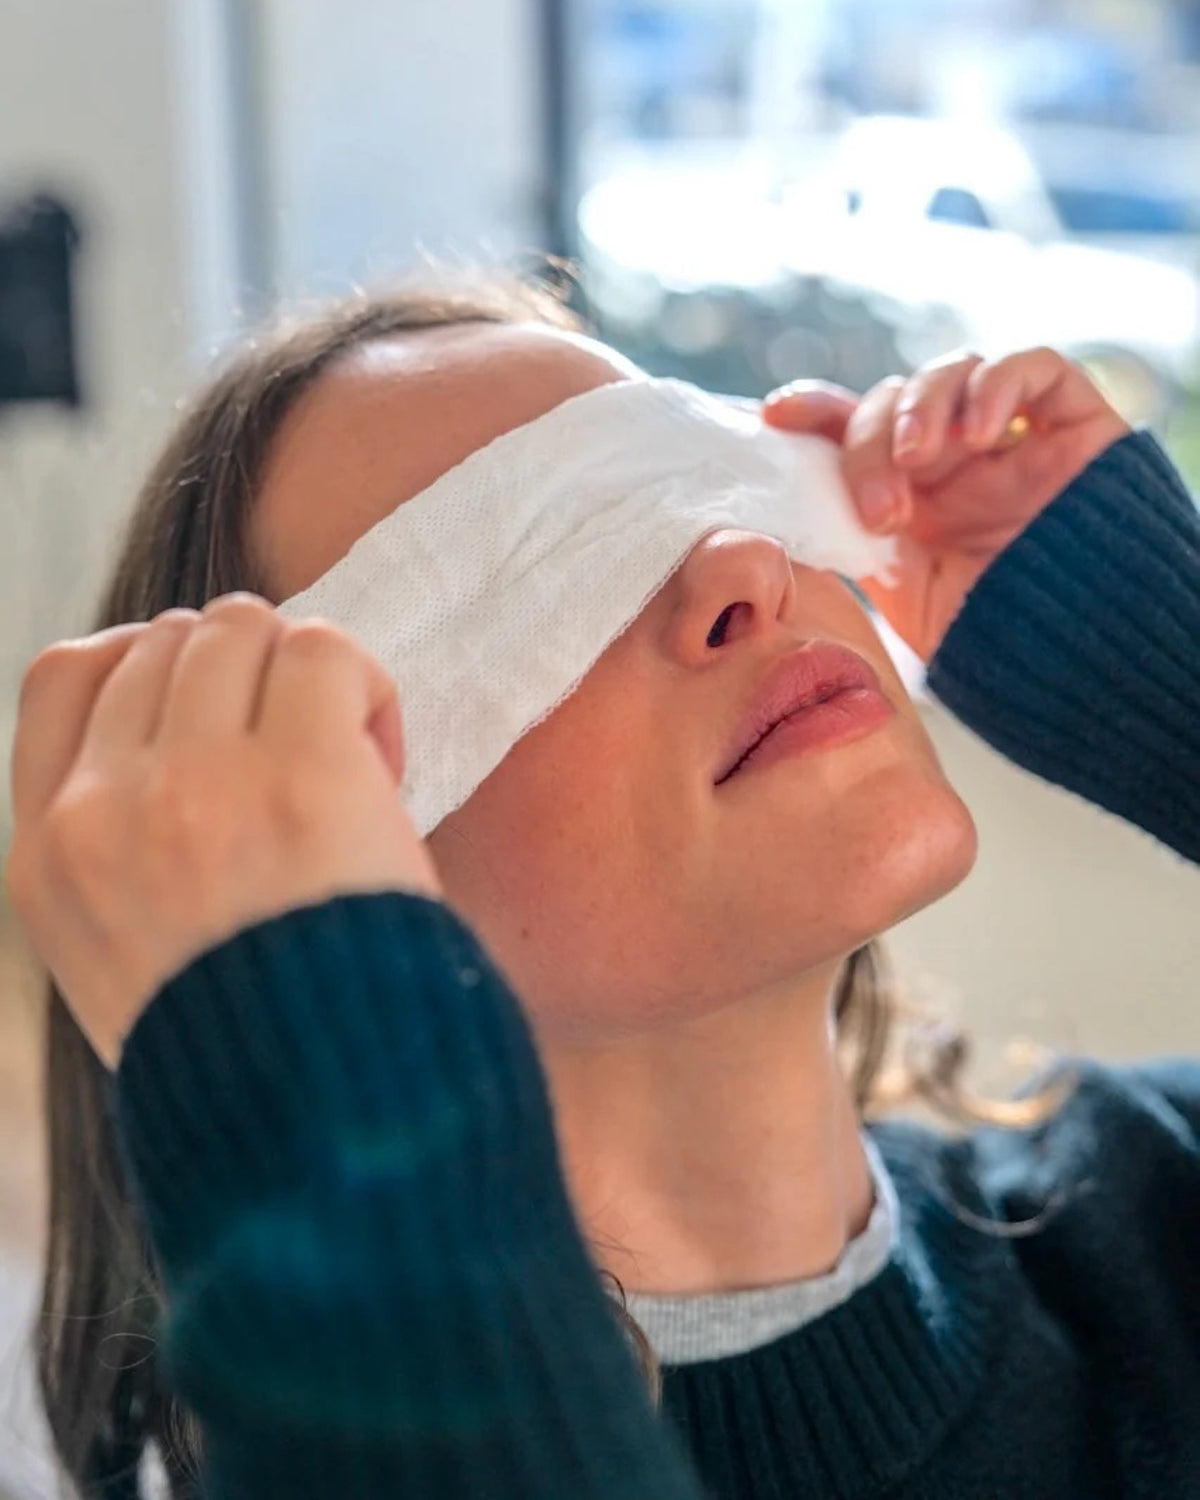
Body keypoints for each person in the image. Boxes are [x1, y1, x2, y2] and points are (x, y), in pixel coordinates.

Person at [5, 272, 1199, 1500]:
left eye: (693, 477)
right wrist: (320, 1127)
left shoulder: (1155, 1221)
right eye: (537, 569)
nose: (742, 566)